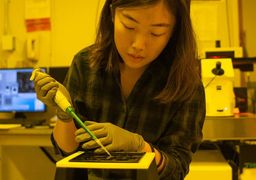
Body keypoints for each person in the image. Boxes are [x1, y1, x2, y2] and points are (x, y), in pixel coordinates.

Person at [32, 0, 205, 179]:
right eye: (130, 26)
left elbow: (177, 168)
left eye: (156, 32)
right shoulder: (86, 64)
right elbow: (68, 151)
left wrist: (139, 147)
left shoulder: (185, 84)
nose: (139, 45)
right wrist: (64, 116)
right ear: (112, 14)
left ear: (174, 31)